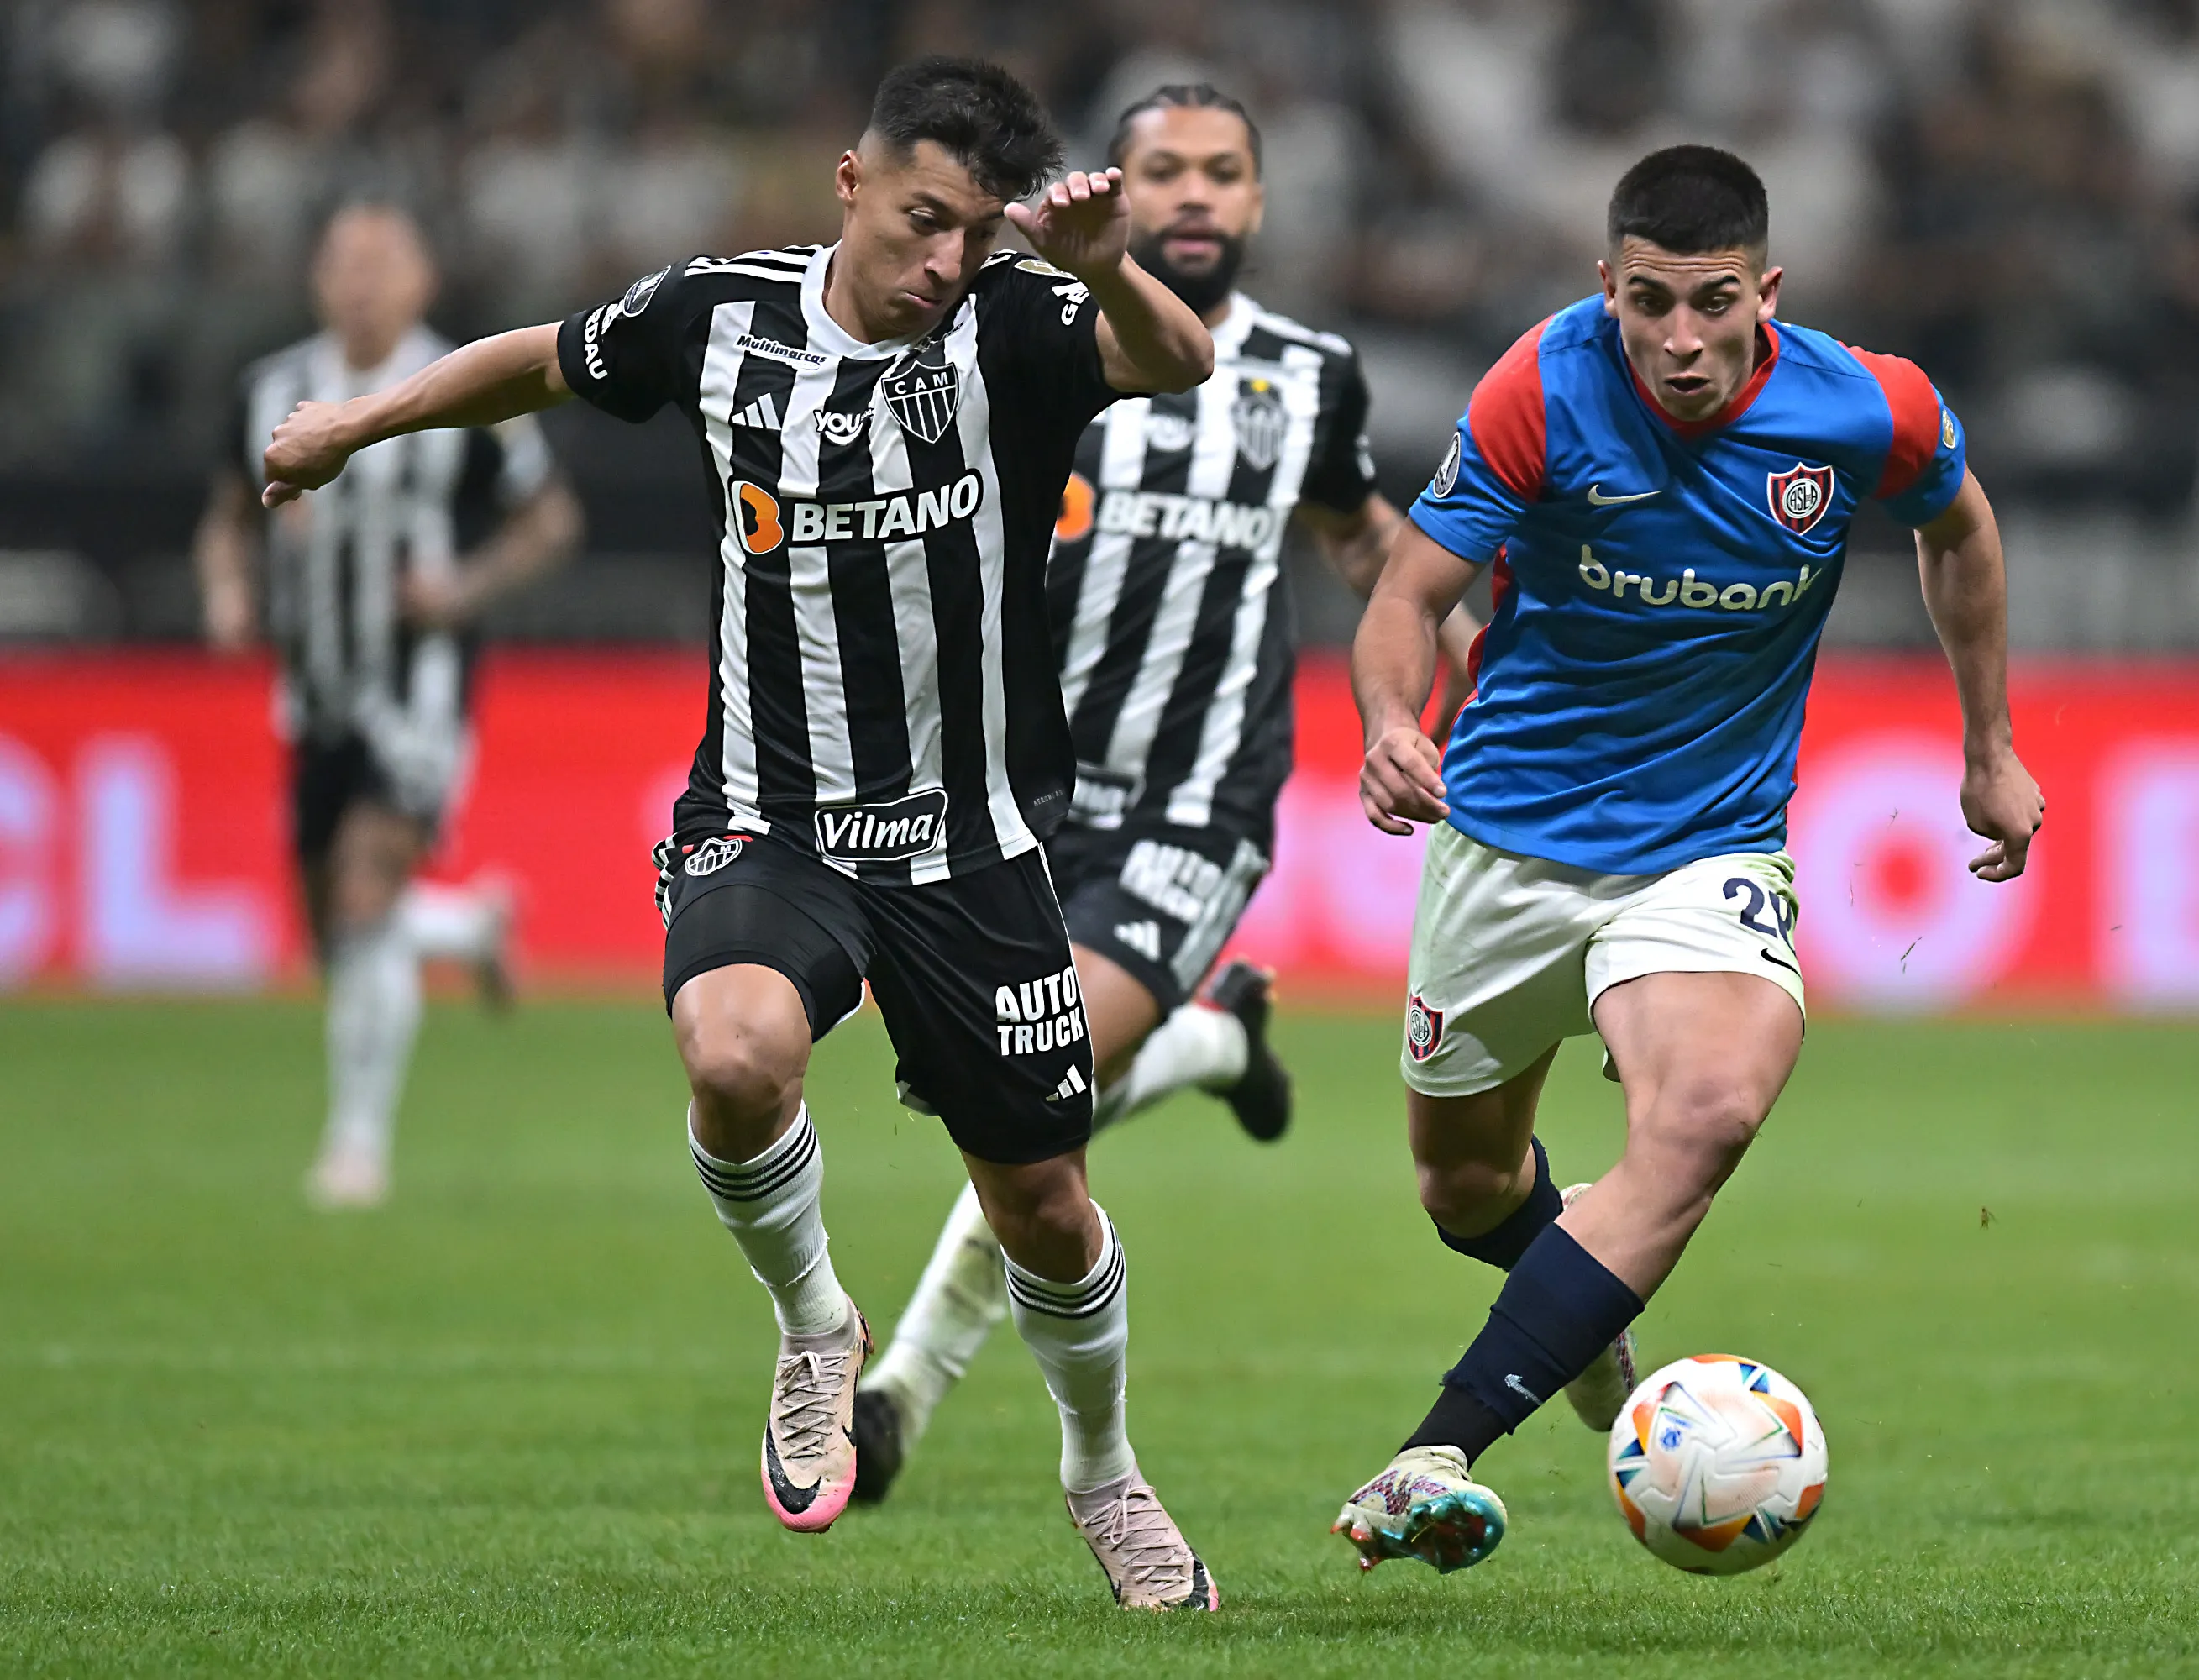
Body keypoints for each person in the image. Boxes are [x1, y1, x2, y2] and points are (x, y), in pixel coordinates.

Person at [256, 59, 1225, 1610]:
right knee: (731, 1050)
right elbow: (537, 362)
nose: (941, 266)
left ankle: (1103, 1472)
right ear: (850, 182)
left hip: (971, 846)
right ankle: (815, 1325)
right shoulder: (717, 318)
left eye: (974, 236)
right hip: (771, 819)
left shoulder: (1018, 324)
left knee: (1043, 1206)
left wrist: (1098, 258)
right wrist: (357, 427)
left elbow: (1171, 364)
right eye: (920, 224)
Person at [1330, 145, 2045, 1573]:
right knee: (1465, 1190)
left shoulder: (1865, 405)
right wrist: (1391, 720)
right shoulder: (1541, 382)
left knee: (1707, 1111)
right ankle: (1589, 1323)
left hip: (1706, 846)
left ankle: (1434, 1452)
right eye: (1647, 302)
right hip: (1508, 841)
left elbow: (1960, 530)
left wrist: (1990, 744)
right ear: (1607, 287)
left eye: (1711, 303)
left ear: (1765, 291)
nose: (1680, 341)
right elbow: (1414, 589)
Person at [852, 84, 1479, 1504]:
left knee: (1036, 1094)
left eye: (1223, 174)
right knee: (1005, 1088)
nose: (1195, 196)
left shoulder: (1311, 375)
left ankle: (902, 1389)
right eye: (1165, 172)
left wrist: (1460, 639)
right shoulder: (1018, 347)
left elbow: (1357, 529)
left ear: (1258, 204)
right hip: (1007, 796)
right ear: (1106, 193)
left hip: (1196, 805)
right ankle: (1209, 1048)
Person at [194, 202, 582, 1210]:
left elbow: (549, 521)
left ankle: (355, 1146)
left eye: (381, 263)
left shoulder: (467, 384)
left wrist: (463, 587)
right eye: (342, 263)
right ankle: (470, 932)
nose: (360, 281)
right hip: (315, 688)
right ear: (318, 278)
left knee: (367, 886)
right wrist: (229, 590)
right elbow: (226, 519)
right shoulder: (272, 389)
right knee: (332, 927)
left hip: (418, 687)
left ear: (421, 281)